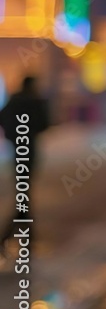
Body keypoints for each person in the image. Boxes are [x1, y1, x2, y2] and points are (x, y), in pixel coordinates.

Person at [1, 76, 50, 245]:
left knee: (23, 191)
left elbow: (3, 119)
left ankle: (22, 233)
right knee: (24, 192)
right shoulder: (35, 102)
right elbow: (45, 124)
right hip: (29, 151)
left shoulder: (14, 101)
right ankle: (17, 234)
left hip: (18, 150)